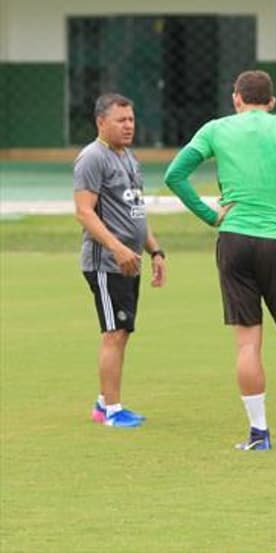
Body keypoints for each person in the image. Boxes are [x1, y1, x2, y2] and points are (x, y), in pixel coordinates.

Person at [164, 70, 276, 451]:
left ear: (236, 98)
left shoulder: (216, 129)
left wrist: (210, 214)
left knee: (247, 344)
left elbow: (175, 174)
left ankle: (259, 434)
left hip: (234, 238)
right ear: (272, 101)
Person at [74, 93, 167, 428]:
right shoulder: (92, 158)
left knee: (122, 330)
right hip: (106, 263)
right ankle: (111, 410)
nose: (129, 126)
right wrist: (116, 247)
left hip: (129, 260)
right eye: (121, 120)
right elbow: (84, 212)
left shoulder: (129, 157)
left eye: (131, 119)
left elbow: (135, 212)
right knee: (114, 331)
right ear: (101, 122)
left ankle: (103, 402)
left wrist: (154, 250)